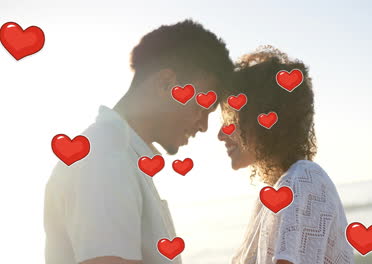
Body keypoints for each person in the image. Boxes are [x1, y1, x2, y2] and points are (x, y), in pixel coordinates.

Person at [44, 19, 234, 264]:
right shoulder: (107, 157)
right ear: (166, 84)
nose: (204, 126)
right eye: (202, 107)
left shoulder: (119, 154)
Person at [218, 46, 354, 264]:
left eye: (231, 122)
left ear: (265, 120)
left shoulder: (303, 179)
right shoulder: (275, 192)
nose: (220, 135)